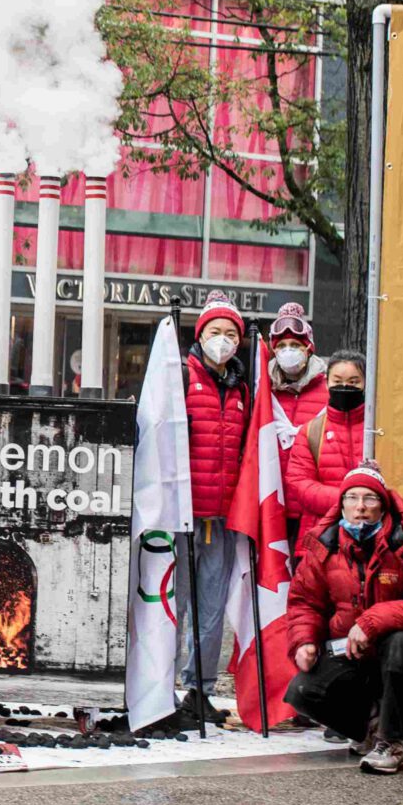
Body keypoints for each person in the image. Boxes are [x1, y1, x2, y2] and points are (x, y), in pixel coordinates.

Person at [283, 462, 403, 776]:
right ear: (342, 503)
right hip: (352, 654)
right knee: (302, 691)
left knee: (401, 640)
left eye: (370, 499)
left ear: (383, 505)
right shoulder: (324, 545)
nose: (360, 507)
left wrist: (372, 622)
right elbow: (304, 602)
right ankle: (371, 729)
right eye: (352, 498)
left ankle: (392, 742)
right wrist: (304, 641)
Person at [179, 292, 251, 701]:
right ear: (200, 335)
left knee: (211, 612)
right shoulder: (181, 377)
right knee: (173, 608)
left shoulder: (243, 389)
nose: (221, 340)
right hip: (182, 516)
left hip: (221, 519)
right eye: (214, 332)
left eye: (229, 334)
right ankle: (158, 690)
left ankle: (199, 689)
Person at [283, 350, 366, 530]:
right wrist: (349, 500)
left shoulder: (378, 429)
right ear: (327, 383)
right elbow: (299, 483)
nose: (345, 387)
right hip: (321, 534)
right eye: (337, 381)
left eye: (354, 382)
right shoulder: (311, 431)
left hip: (373, 531)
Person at [264, 302, 328, 437]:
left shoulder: (328, 389)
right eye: (281, 346)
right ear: (274, 351)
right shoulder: (264, 389)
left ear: (308, 349)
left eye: (295, 345)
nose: (288, 350)